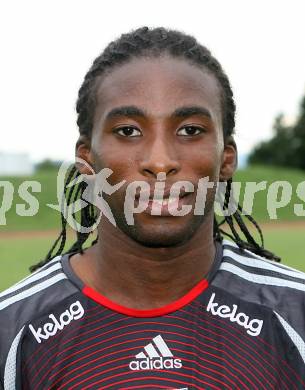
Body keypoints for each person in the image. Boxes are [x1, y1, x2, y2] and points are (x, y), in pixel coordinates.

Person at [1, 26, 305, 389]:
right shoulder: (13, 331)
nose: (160, 162)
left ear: (226, 159)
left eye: (190, 130)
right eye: (128, 131)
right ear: (87, 160)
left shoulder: (294, 314)